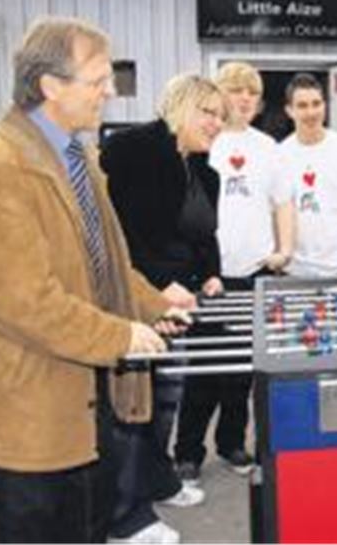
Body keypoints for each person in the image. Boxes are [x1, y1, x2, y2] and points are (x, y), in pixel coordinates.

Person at [0, 17, 189, 543]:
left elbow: (106, 264)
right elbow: (21, 301)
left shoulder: (77, 156)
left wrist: (151, 304)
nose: (110, 91)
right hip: (27, 411)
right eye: (97, 80)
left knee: (88, 527)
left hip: (82, 396)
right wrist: (119, 336)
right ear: (51, 86)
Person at [100, 74, 226, 544]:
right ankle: (126, 516)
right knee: (132, 407)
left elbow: (204, 234)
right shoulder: (134, 150)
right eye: (207, 112)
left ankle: (158, 481)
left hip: (181, 302)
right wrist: (158, 285)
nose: (216, 123)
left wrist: (210, 273)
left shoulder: (202, 169)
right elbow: (118, 237)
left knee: (166, 397)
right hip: (137, 298)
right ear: (180, 105)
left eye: (220, 115)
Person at [173, 62, 294, 484]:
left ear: (259, 102)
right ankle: (187, 451)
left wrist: (285, 249)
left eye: (251, 92)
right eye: (235, 90)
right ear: (217, 95)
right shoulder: (203, 142)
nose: (243, 98)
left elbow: (283, 203)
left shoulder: (269, 148)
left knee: (243, 370)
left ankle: (230, 443)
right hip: (209, 276)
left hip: (254, 272)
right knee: (203, 369)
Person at [278, 72, 337, 277]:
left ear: (325, 106)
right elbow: (277, 213)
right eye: (302, 106)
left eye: (316, 103)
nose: (311, 112)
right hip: (295, 271)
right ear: (289, 111)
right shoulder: (278, 155)